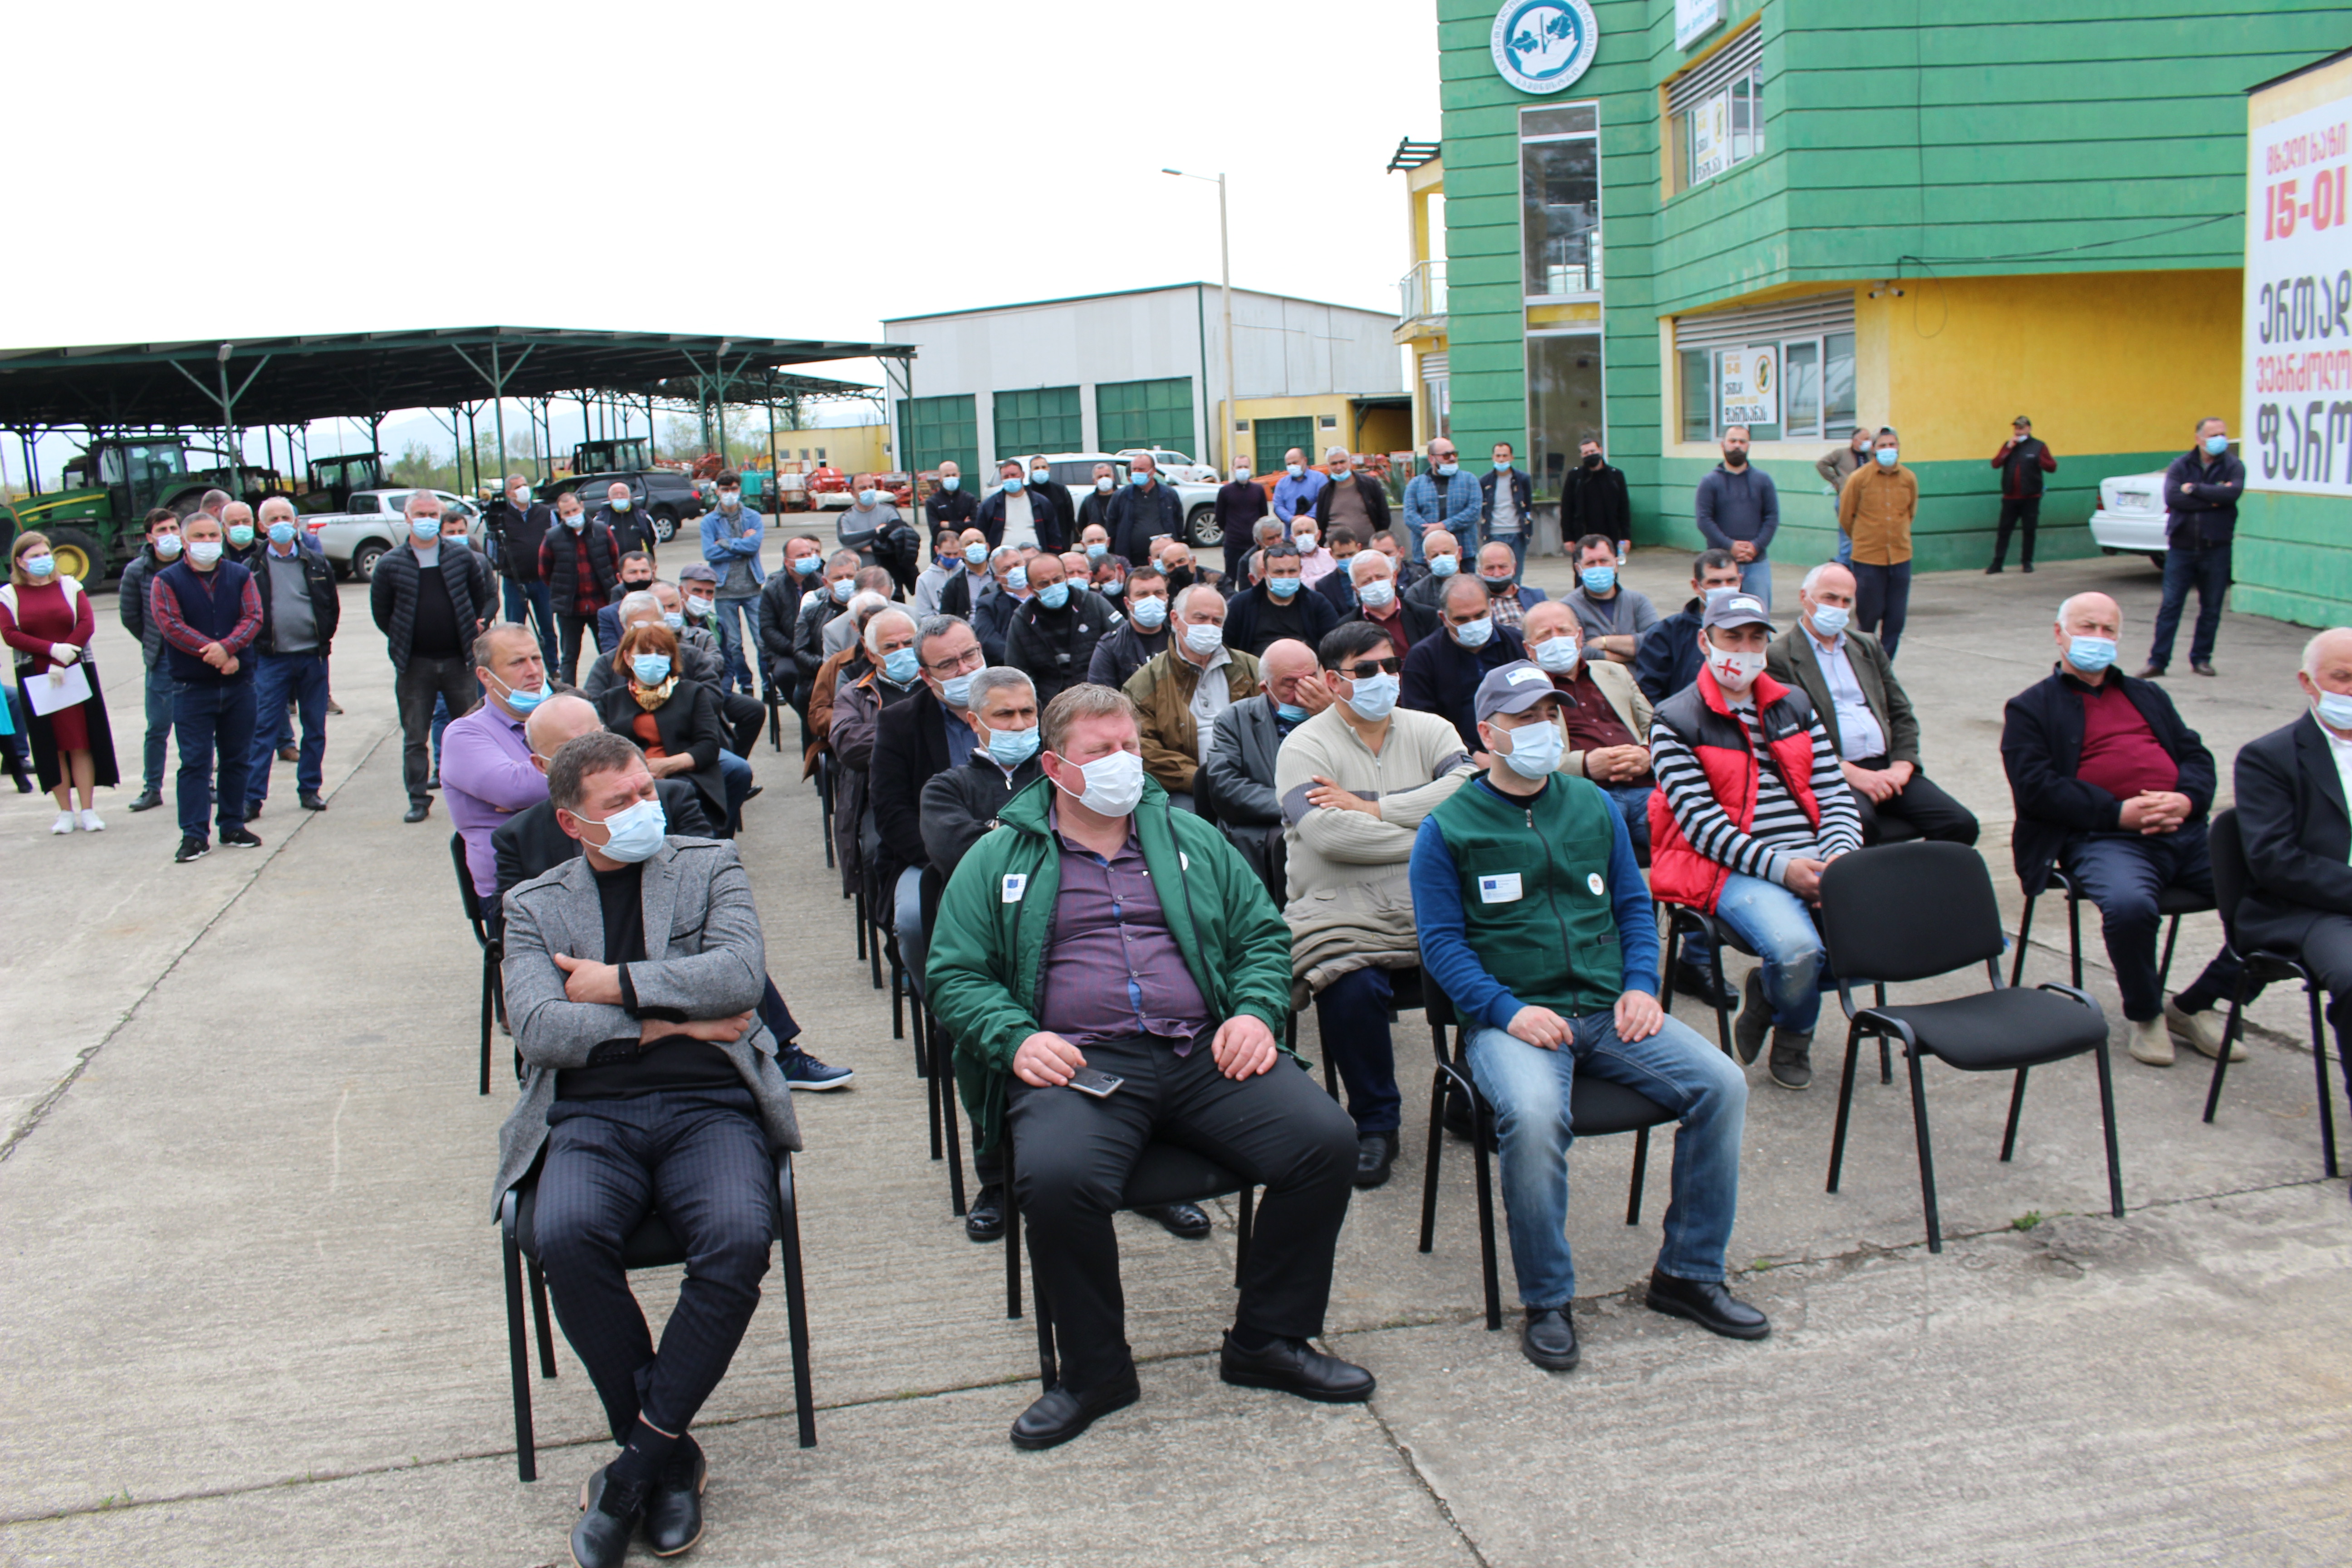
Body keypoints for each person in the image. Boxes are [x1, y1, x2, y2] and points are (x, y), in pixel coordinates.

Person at [925, 685, 1372, 1451]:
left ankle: (1268, 1338)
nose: (1121, 764)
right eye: (1099, 752)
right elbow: (953, 974)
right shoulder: (1000, 854)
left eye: (1128, 747)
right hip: (1078, 1060)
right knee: (1057, 1182)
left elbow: (1262, 938)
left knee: (1324, 1142)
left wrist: (1252, 1013)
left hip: (1199, 1047)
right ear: (1056, 766)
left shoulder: (1190, 838)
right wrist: (1013, 1038)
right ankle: (1095, 1370)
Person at [493, 729, 800, 1568]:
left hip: (710, 1105)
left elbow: (739, 978)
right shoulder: (534, 905)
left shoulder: (707, 865)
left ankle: (631, 1472)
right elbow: (541, 1030)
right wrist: (670, 1018)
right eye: (618, 804)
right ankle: (669, 1456)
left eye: (644, 794)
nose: (642, 811)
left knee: (739, 1238)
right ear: (571, 823)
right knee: (563, 1236)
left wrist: (614, 983)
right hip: (589, 1116)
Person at [1413, 661, 1764, 1372]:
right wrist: (1507, 1013)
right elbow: (1441, 948)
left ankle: (1689, 1274)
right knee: (1536, 1118)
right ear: (1488, 735)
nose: (1545, 730)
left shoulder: (1592, 803)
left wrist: (1642, 984)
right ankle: (1547, 1299)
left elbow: (1636, 908)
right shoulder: (1447, 829)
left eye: (1552, 715)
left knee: (1722, 1085)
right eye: (1525, 719)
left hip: (1611, 1009)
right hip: (1516, 1021)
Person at [2001, 592, 2246, 1068]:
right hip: (2104, 839)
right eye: (2087, 627)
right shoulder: (2031, 708)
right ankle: (2148, 1012)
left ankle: (2195, 1005)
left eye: (2108, 630)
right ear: (2060, 633)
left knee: (2269, 900)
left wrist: (2188, 799)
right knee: (2131, 906)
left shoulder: (2147, 695)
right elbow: (2036, 788)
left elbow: (2196, 756)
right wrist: (2117, 813)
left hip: (2184, 830)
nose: (2098, 638)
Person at [1280, 622, 1477, 1186]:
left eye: (1390, 666)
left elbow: (1470, 789)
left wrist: (1375, 809)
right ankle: (1375, 1124)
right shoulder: (1305, 745)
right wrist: (1434, 833)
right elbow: (1329, 837)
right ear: (1333, 681)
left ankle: (1471, 1093)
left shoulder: (1431, 729)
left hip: (1427, 900)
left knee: (1494, 956)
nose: (1383, 679)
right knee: (1350, 984)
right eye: (1366, 671)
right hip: (1340, 903)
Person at [1648, 591, 1862, 1091]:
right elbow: (1703, 826)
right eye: (1732, 637)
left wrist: (1839, 858)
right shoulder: (1676, 720)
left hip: (1818, 858)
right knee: (1796, 952)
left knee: (1887, 941)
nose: (1744, 649)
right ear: (1705, 641)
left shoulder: (1795, 704)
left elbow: (1834, 792)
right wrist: (1784, 869)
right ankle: (1795, 1032)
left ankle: (1769, 991)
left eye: (1755, 638)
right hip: (1735, 867)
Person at [1769, 564, 1978, 848]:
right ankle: (1878, 888)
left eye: (1846, 601)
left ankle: (1921, 886)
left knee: (1960, 825)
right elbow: (1791, 737)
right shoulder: (1779, 657)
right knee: (1859, 827)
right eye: (1830, 598)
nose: (1839, 608)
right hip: (1836, 772)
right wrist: (1853, 774)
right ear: (1804, 597)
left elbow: (1902, 713)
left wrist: (1902, 766)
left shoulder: (1866, 647)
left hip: (1888, 767)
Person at [2234, 628, 2352, 1107]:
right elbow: (2275, 861)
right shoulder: (2270, 758)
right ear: (2308, 682)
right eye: (2342, 678)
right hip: (2312, 908)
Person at [868, 611, 978, 995]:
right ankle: (941, 1007)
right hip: (929, 854)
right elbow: (891, 811)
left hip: (1016, 849)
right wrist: (945, 858)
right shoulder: (899, 723)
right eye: (948, 664)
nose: (965, 669)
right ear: (927, 676)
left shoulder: (1020, 707)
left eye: (970, 656)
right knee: (915, 922)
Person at [146, 511, 262, 862]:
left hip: (239, 684)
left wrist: (228, 647)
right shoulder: (167, 581)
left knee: (237, 758)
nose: (208, 543)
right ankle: (195, 834)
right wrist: (214, 652)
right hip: (192, 687)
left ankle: (232, 824)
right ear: (185, 541)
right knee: (195, 763)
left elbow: (253, 617)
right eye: (199, 537)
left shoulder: (240, 575)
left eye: (213, 536)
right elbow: (171, 626)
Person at [374, 492, 484, 823]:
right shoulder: (390, 563)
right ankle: (418, 798)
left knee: (469, 731)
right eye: (420, 513)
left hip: (458, 661)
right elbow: (382, 613)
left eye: (432, 513)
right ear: (407, 518)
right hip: (415, 664)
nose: (426, 519)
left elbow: (479, 597)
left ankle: (475, 791)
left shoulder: (461, 558)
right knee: (415, 736)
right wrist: (405, 640)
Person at [1, 529, 120, 833]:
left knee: (80, 743)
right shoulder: (9, 595)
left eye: (46, 553)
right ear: (20, 562)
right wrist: (51, 650)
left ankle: (88, 809)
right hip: (37, 676)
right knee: (51, 745)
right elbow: (10, 634)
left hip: (73, 673)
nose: (43, 560)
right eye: (35, 556)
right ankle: (64, 811)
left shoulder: (70, 586)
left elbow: (85, 623)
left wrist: (63, 658)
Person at [441, 624, 555, 902]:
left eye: (536, 658)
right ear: (486, 677)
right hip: (516, 890)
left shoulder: (565, 712)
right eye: (517, 662)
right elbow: (516, 790)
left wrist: (535, 798)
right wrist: (579, 786)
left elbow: (620, 768)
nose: (533, 671)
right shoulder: (465, 734)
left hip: (580, 874)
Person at [1521, 602, 1652, 843]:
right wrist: (1584, 766)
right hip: (1586, 794)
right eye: (1545, 635)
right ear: (1529, 650)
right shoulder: (1525, 694)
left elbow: (1657, 728)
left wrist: (1647, 754)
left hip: (1645, 788)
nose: (1556, 639)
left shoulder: (1615, 672)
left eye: (1563, 631)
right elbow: (1528, 760)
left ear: (1580, 637)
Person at [243, 496, 340, 818]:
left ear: (297, 521)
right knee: (263, 729)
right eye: (274, 519)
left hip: (312, 657)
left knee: (315, 727)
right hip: (271, 659)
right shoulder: (251, 568)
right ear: (262, 527)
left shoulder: (316, 563)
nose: (281, 524)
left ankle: (310, 789)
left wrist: (323, 639)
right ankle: (253, 797)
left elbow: (330, 606)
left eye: (287, 517)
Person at [1124, 584, 1260, 812]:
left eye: (1216, 621)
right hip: (1186, 788)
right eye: (1200, 618)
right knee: (1184, 820)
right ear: (1176, 620)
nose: (1209, 627)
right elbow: (1143, 747)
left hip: (1251, 779)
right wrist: (1199, 778)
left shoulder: (1252, 669)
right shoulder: (1146, 682)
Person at [595, 622, 732, 838]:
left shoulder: (692, 693)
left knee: (670, 795)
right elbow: (605, 751)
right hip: (630, 781)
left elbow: (708, 746)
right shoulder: (610, 700)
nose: (654, 659)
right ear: (628, 658)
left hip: (687, 775)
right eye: (645, 652)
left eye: (661, 653)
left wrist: (668, 766)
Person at [1206, 637, 1327, 877]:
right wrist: (1293, 806)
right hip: (1265, 825)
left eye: (1311, 679)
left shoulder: (1340, 714)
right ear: (1266, 688)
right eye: (1290, 684)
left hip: (1329, 816)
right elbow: (1226, 787)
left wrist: (1329, 716)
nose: (1304, 692)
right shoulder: (1234, 720)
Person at [2143, 417, 2245, 680]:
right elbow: (2174, 498)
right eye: (2213, 435)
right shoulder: (2180, 465)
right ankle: (2158, 661)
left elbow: (2232, 495)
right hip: (2182, 547)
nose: (2220, 439)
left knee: (2211, 607)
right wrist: (2213, 498)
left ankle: (2201, 659)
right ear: (2199, 439)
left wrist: (2196, 490)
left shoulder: (2234, 466)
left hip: (2217, 548)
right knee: (2171, 606)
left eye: (2223, 433)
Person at [1403, 574, 1529, 750]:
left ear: (1492, 606)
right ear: (1444, 618)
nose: (1473, 624)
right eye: (1462, 619)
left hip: (1520, 747)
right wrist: (1471, 754)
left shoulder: (1518, 644)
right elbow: (1423, 723)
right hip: (1453, 754)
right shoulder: (1423, 658)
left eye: (1480, 616)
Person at [118, 507, 183, 813]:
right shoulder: (137, 571)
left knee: (198, 727)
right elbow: (131, 616)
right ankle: (152, 788)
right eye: (162, 531)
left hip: (197, 657)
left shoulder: (194, 562)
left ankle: (205, 782)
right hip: (162, 660)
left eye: (173, 528)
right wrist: (153, 642)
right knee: (158, 727)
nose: (169, 536)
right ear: (149, 537)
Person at [1837, 428, 1916, 658]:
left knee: (1896, 619)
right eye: (1883, 446)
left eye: (1892, 445)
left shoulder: (1909, 478)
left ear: (1899, 447)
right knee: (1868, 617)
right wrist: (1866, 538)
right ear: (1874, 449)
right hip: (1868, 559)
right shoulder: (1859, 478)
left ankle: (1885, 667)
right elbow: (1846, 516)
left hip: (1900, 557)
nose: (1888, 450)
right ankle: (1865, 664)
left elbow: (1910, 513)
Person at [1006, 551, 1121, 708]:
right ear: (1031, 589)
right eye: (1044, 584)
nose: (1053, 586)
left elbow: (1122, 644)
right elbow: (1017, 674)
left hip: (1100, 697)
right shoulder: (1023, 620)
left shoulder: (1093, 603)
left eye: (1057, 579)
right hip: (1051, 705)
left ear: (1066, 577)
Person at [676, 568, 769, 760]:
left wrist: (722, 692)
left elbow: (728, 666)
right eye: (697, 591)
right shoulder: (674, 624)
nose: (704, 597)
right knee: (712, 725)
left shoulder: (716, 623)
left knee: (754, 710)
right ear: (681, 591)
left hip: (715, 692)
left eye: (709, 593)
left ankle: (737, 764)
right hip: (686, 697)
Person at [1635, 549, 1744, 704]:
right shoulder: (1665, 634)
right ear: (1696, 586)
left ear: (1740, 580)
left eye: (1731, 581)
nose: (1724, 588)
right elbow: (1650, 692)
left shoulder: (1754, 631)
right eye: (1715, 582)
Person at [540, 490, 622, 687]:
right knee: (569, 656)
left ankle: (615, 689)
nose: (572, 515)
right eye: (567, 513)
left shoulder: (602, 530)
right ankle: (568, 693)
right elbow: (545, 572)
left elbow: (614, 561)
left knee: (610, 651)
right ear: (560, 515)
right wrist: (564, 591)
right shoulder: (552, 537)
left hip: (601, 604)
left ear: (582, 507)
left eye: (575, 510)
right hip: (570, 608)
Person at [1694, 426, 1779, 608]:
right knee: (1720, 616)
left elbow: (1772, 517)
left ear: (1749, 446)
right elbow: (1704, 520)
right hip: (1720, 565)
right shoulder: (1709, 482)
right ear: (1723, 445)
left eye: (1742, 442)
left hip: (1756, 564)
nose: (1737, 446)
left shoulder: (1763, 480)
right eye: (1733, 441)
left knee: (1758, 615)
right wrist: (1729, 547)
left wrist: (1756, 546)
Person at [699, 470, 767, 696]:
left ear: (740, 490)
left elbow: (754, 546)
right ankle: (746, 684)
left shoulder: (753, 517)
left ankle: (769, 686)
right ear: (717, 491)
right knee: (733, 645)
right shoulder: (709, 521)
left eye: (734, 489)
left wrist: (727, 543)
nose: (730, 494)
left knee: (763, 641)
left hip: (752, 588)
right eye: (725, 490)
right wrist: (742, 544)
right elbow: (710, 552)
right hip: (725, 590)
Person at [1222, 542, 1339, 660]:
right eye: (1279, 572)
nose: (1286, 577)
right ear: (1265, 573)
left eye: (1292, 571)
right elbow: (1227, 648)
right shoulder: (1241, 605)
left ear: (1301, 570)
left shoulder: (1318, 604)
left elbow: (1334, 649)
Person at [489, 474, 558, 664]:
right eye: (518, 487)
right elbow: (493, 550)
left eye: (525, 485)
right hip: (514, 581)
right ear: (509, 493)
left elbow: (557, 539)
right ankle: (516, 664)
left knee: (548, 628)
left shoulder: (544, 512)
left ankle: (553, 665)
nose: (523, 489)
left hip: (542, 581)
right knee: (515, 629)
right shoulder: (502, 516)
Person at [759, 534, 828, 716]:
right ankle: (808, 715)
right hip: (787, 652)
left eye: (810, 554)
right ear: (788, 562)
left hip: (818, 649)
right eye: (801, 556)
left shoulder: (822, 584)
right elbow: (767, 629)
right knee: (784, 674)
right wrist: (794, 649)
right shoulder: (772, 590)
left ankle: (824, 712)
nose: (808, 559)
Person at [1564, 534, 1659, 665]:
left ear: (1616, 564)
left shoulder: (1638, 601)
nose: (1598, 568)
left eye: (1604, 561)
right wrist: (1633, 655)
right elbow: (1579, 652)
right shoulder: (1567, 608)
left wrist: (1604, 642)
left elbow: (1657, 642)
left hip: (1641, 681)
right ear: (1579, 569)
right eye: (1591, 563)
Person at [1339, 544, 1440, 660]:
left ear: (1394, 578)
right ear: (1356, 589)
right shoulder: (1346, 628)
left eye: (1380, 577)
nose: (1376, 584)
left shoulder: (1426, 616)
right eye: (1367, 581)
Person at [1987, 416, 2057, 574]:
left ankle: (2027, 562)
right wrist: (2008, 449)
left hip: (2031, 497)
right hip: (2010, 497)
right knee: (2004, 531)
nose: (2019, 431)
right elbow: (1996, 464)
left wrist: (2040, 460)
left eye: (2022, 428)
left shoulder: (2038, 446)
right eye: (2017, 428)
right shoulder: (2009, 446)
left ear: (2029, 429)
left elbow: (2052, 467)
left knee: (2029, 530)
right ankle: (1998, 563)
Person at [1086, 562, 1170, 689]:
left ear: (1167, 599)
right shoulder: (1110, 647)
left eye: (1158, 593)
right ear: (1128, 603)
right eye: (1143, 594)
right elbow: (1100, 700)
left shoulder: (1180, 640)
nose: (1152, 599)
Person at [1401, 437, 1479, 566]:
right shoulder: (1416, 484)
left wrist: (1444, 526)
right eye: (1447, 455)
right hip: (1426, 557)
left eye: (1455, 454)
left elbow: (1473, 512)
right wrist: (1431, 532)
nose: (1453, 458)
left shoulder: (1469, 480)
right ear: (1432, 459)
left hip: (1463, 555)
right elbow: (1410, 515)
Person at [1558, 438, 1628, 581]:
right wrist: (1568, 538)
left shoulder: (1616, 476)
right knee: (1582, 575)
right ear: (1582, 456)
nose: (1590, 455)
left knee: (1610, 575)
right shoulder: (1575, 477)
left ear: (1601, 451)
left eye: (1593, 451)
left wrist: (1626, 537)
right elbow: (1567, 508)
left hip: (1610, 536)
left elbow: (1624, 508)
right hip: (1582, 536)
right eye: (1586, 453)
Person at [793, 549, 860, 691]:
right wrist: (827, 666)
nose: (845, 582)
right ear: (825, 582)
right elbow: (800, 652)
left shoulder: (866, 609)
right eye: (838, 578)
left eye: (850, 576)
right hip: (820, 679)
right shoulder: (811, 612)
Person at [1312, 446, 1393, 557]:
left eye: (1342, 462)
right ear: (1328, 467)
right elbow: (1321, 522)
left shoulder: (1370, 485)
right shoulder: (1325, 492)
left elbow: (1384, 516)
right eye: (1334, 464)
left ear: (1350, 462)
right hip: (1336, 554)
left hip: (1367, 550)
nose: (1339, 467)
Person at [1106, 453, 1184, 566]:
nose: (1137, 473)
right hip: (1131, 561)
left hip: (1165, 560)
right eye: (1134, 469)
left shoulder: (1169, 495)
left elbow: (1178, 524)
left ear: (1153, 471)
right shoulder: (1121, 496)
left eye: (1141, 469)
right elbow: (1112, 527)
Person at [1473, 539, 1548, 633]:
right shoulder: (1474, 603)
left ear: (1514, 567)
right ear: (1480, 571)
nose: (1497, 574)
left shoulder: (1536, 597)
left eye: (1503, 567)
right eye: (1490, 568)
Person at [594, 551, 659, 656]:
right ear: (620, 578)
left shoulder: (666, 605)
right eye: (633, 573)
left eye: (644, 571)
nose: (639, 577)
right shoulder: (608, 614)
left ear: (653, 574)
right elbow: (610, 652)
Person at [1215, 456, 1267, 583]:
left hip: (1254, 545)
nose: (1243, 469)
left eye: (1246, 467)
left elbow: (1263, 515)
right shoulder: (1225, 491)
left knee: (1255, 578)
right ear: (1233, 469)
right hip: (1233, 544)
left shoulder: (1258, 490)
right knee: (1230, 579)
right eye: (1239, 467)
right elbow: (1220, 518)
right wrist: (1232, 530)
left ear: (1250, 468)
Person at [595, 480, 661, 564]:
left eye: (623, 494)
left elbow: (655, 539)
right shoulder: (600, 519)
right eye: (615, 494)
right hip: (613, 566)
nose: (620, 497)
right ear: (609, 498)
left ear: (629, 497)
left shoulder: (643, 517)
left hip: (639, 564)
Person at [1403, 527, 1464, 617]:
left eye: (1447, 553)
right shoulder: (1416, 594)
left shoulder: (1479, 585)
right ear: (1427, 561)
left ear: (1460, 553)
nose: (1442, 558)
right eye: (1435, 556)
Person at [1027, 454, 1074, 555]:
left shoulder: (1061, 491)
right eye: (1036, 468)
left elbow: (1070, 520)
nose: (1041, 470)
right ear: (1031, 471)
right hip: (1034, 546)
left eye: (1044, 467)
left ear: (1049, 469)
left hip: (1059, 546)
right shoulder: (1026, 493)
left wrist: (1066, 544)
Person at [1270, 447, 1327, 531]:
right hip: (1290, 535)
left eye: (1295, 463)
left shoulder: (1319, 479)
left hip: (1315, 533)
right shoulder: (1282, 484)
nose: (1292, 466)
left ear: (1305, 460)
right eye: (1289, 464)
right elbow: (1278, 506)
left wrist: (1307, 519)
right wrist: (1291, 519)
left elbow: (1322, 502)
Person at [914, 529, 964, 618]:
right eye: (947, 554)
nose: (952, 558)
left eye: (956, 554)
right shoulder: (924, 579)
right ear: (937, 550)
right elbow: (924, 614)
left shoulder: (967, 573)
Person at [925, 460, 979, 535]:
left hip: (965, 545)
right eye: (947, 476)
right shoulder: (932, 502)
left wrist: (948, 525)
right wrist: (963, 525)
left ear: (959, 476)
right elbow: (935, 530)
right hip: (942, 546)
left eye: (954, 475)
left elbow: (975, 525)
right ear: (940, 478)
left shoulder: (970, 499)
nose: (951, 478)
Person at [1289, 518, 1340, 589]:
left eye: (1308, 532)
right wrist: (1333, 576)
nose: (1305, 536)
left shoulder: (1331, 554)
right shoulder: (1292, 562)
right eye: (1300, 533)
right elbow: (1305, 585)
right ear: (1293, 539)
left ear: (1318, 535)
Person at [219, 500, 259, 566]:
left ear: (253, 521)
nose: (241, 526)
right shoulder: (216, 553)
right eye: (235, 523)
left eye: (246, 521)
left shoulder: (266, 549)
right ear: (224, 526)